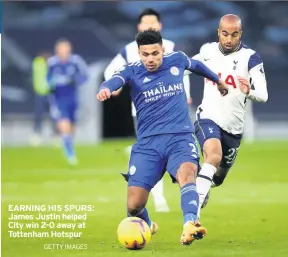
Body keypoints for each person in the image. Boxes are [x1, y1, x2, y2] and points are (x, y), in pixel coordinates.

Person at [97, 29, 228, 245]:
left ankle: (190, 224)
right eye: (145, 54)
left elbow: (196, 66)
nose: (150, 59)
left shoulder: (176, 59)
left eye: (155, 54)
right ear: (139, 53)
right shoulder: (132, 70)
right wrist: (105, 88)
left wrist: (218, 80)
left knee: (188, 174)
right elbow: (115, 80)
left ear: (162, 50)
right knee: (134, 206)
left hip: (180, 138)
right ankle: (147, 224)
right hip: (148, 145)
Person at [104, 8, 192, 213]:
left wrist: (186, 93)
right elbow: (111, 70)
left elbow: (184, 73)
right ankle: (158, 199)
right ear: (139, 28)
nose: (150, 27)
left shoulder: (171, 47)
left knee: (177, 158)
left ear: (160, 27)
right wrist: (113, 87)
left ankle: (185, 196)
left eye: (153, 24)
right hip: (144, 116)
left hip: (173, 113)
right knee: (152, 158)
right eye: (146, 25)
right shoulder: (129, 51)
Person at [186, 14, 268, 217]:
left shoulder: (251, 57)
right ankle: (191, 217)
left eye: (234, 35)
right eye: (225, 34)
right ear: (218, 33)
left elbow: (263, 96)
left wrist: (249, 91)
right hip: (208, 117)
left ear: (240, 34)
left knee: (217, 178)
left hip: (234, 127)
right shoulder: (208, 51)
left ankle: (199, 176)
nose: (229, 39)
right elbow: (185, 68)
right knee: (213, 156)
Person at [47, 38, 88, 165]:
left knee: (72, 127)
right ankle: (70, 153)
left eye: (66, 48)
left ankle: (68, 145)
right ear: (57, 50)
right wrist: (51, 85)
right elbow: (46, 80)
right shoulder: (52, 63)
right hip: (58, 99)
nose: (64, 51)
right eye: (61, 49)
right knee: (64, 123)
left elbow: (85, 76)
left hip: (73, 99)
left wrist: (75, 80)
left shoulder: (76, 61)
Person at [30, 51, 58, 146]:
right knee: (39, 114)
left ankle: (55, 135)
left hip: (50, 93)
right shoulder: (38, 63)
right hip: (40, 93)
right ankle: (37, 134)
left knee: (53, 115)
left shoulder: (51, 65)